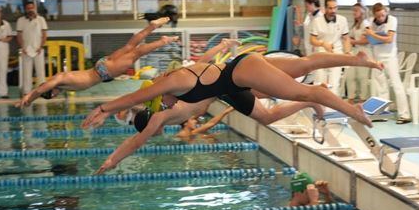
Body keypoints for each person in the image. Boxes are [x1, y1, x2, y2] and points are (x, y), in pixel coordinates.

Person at [84, 53, 384, 173]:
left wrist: (102, 107)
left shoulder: (173, 83)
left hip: (243, 70)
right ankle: (325, 91)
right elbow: (136, 125)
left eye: (164, 105)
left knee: (305, 80)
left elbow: (135, 97)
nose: (170, 109)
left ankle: (351, 107)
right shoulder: (168, 97)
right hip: (233, 85)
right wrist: (112, 160)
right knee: (267, 115)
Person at [92, 95, 327, 174]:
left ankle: (309, 99)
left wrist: (112, 160)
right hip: (218, 88)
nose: (155, 135)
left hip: (222, 89)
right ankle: (308, 97)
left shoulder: (156, 120)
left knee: (266, 117)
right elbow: (134, 100)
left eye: (152, 133)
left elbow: (134, 142)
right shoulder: (158, 105)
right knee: (265, 99)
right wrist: (107, 110)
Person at [16, 16, 176, 107]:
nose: (56, 94)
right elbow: (47, 87)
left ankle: (162, 41)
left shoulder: (60, 80)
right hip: (101, 66)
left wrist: (30, 97)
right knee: (130, 46)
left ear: (52, 91)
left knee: (136, 53)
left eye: (53, 95)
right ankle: (152, 27)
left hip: (104, 71)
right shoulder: (64, 84)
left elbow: (44, 86)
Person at [365, 2, 411, 124]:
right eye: (378, 16)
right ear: (374, 15)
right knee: (381, 86)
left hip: (390, 57)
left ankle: (404, 115)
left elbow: (389, 39)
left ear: (386, 12)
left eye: (383, 15)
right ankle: (383, 113)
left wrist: (372, 34)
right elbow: (367, 37)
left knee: (397, 85)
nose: (381, 18)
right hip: (377, 57)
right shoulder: (370, 21)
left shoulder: (392, 20)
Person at [309, 0, 350, 96]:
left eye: (335, 8)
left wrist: (348, 52)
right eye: (330, 8)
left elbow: (346, 38)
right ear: (325, 8)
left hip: (337, 53)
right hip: (321, 53)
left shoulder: (342, 20)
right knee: (319, 83)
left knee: (334, 84)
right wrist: (322, 43)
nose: (333, 10)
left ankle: (332, 110)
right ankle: (319, 108)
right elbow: (312, 40)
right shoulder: (317, 21)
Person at [17, 1, 48, 96]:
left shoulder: (41, 19)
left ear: (35, 8)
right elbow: (19, 35)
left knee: (40, 72)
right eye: (28, 8)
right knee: (26, 72)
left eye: (32, 8)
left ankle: (42, 91)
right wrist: (23, 48)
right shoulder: (21, 20)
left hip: (38, 49)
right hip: (26, 50)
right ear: (26, 10)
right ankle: (27, 92)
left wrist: (40, 47)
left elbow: (44, 35)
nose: (30, 9)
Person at [346, 3, 371, 102]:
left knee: (362, 77)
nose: (354, 12)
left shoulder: (366, 24)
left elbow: (367, 40)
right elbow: (350, 37)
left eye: (356, 10)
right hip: (355, 51)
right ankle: (351, 98)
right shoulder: (356, 24)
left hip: (364, 52)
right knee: (350, 75)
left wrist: (353, 41)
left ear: (362, 12)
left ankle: (363, 99)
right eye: (353, 10)